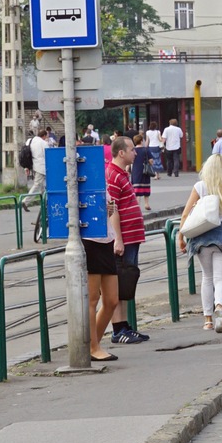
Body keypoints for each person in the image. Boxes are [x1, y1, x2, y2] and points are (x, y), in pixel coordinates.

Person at [177, 154, 222, 333]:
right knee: (220, 278)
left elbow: (185, 213)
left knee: (207, 277)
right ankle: (219, 307)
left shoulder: (200, 186)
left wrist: (181, 237)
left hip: (202, 236)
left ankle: (207, 320)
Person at [107, 136, 150, 343]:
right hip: (123, 238)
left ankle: (124, 325)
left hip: (131, 237)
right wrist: (118, 239)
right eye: (132, 149)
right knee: (119, 282)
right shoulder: (113, 175)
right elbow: (111, 209)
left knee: (126, 282)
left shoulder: (122, 173)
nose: (135, 152)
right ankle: (117, 330)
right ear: (121, 152)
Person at [85, 197, 121, 362]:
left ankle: (92, 345)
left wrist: (109, 207)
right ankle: (93, 348)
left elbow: (109, 207)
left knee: (112, 300)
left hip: (106, 238)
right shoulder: (78, 176)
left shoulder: (100, 177)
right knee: (92, 298)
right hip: (89, 240)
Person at [25, 129, 49, 241]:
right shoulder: (43, 143)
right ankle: (25, 201)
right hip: (41, 167)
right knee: (38, 184)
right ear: (44, 136)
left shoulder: (31, 140)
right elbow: (49, 154)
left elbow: (26, 154)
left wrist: (27, 167)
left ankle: (43, 202)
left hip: (34, 166)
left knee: (42, 187)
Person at [131, 133, 153, 211]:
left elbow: (130, 161)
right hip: (145, 171)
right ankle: (146, 204)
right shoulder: (146, 150)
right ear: (141, 141)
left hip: (136, 170)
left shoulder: (133, 150)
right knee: (146, 187)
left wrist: (127, 169)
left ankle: (137, 204)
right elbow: (151, 161)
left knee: (137, 188)